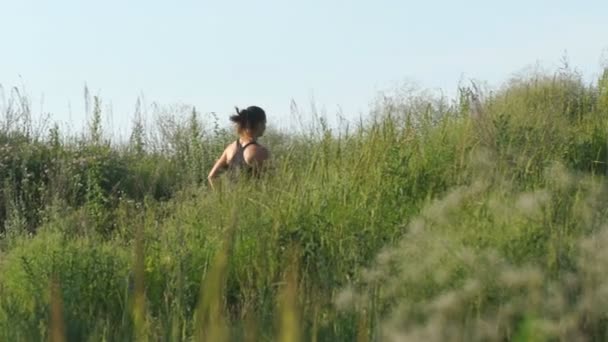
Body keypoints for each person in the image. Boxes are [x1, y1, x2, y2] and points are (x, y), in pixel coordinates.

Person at [207, 106, 270, 189]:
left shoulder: (230, 148)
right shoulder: (259, 151)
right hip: (254, 199)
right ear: (259, 124)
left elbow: (212, 176)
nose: (265, 127)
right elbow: (272, 180)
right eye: (264, 123)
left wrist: (221, 199)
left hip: (231, 200)